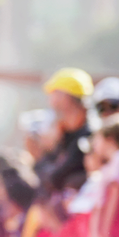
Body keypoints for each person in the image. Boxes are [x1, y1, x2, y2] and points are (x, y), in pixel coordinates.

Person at [32, 68, 93, 196]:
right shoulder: (64, 132)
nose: (50, 99)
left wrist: (39, 156)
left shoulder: (89, 134)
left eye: (54, 93)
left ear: (66, 96)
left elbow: (56, 179)